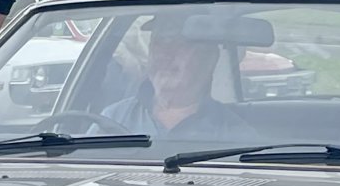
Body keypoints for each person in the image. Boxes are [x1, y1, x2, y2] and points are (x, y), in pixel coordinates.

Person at [101, 16, 244, 141]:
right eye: (159, 42)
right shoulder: (113, 118)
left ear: (209, 58)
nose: (164, 54)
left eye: (180, 43)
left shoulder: (236, 134)